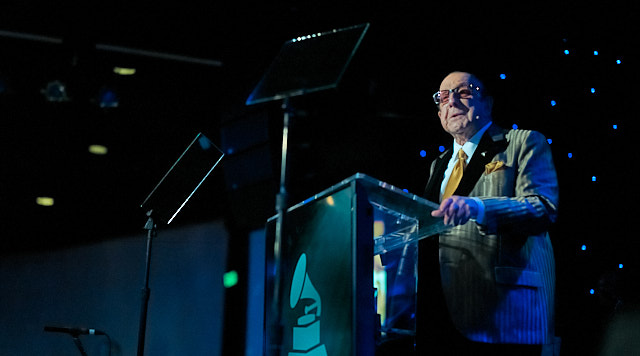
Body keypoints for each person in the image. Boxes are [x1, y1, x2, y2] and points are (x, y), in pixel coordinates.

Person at [415, 71, 560, 355]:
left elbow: (543, 207)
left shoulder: (523, 142)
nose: (452, 101)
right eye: (443, 97)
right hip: (440, 312)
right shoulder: (438, 165)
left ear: (488, 103)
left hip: (504, 312)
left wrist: (478, 207)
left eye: (464, 92)